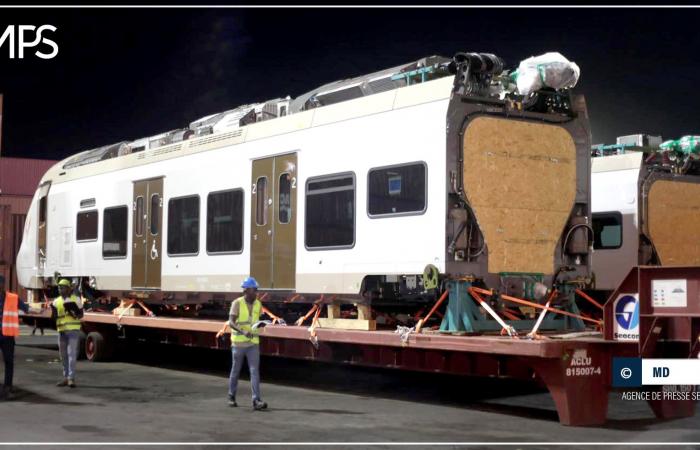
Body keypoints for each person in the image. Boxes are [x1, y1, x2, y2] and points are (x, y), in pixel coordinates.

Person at [217, 276, 268, 410]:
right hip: (238, 344)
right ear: (246, 290)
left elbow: (259, 319)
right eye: (254, 290)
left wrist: (262, 325)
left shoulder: (258, 303)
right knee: (235, 371)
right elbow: (231, 322)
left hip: (253, 343)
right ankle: (231, 396)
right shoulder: (237, 303)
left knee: (254, 371)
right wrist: (243, 331)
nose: (256, 292)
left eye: (256, 290)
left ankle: (256, 400)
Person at [0, 275, 30, 400]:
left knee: (9, 362)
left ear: (3, 285)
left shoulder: (13, 298)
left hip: (7, 336)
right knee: (8, 362)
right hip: (5, 336)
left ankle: (8, 386)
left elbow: (26, 308)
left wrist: (40, 311)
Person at [50, 279, 83, 388]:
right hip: (61, 331)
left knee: (71, 354)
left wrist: (74, 313)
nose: (60, 289)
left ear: (69, 289)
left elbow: (81, 315)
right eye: (59, 287)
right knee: (63, 355)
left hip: (73, 330)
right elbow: (53, 316)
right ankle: (65, 377)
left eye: (62, 287)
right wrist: (54, 315)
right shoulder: (56, 301)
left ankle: (71, 378)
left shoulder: (76, 299)